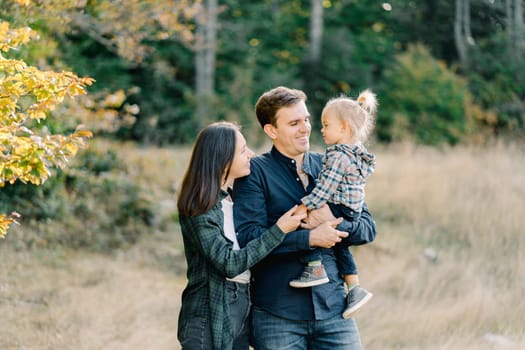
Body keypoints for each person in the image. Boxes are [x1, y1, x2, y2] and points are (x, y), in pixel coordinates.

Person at [232, 87, 377, 349]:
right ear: (271, 130)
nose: (305, 128)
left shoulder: (332, 162)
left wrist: (332, 224)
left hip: (335, 310)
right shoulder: (254, 173)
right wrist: (310, 238)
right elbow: (249, 240)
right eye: (294, 123)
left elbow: (367, 228)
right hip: (278, 314)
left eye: (307, 120)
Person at [177, 121, 306, 350]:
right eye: (243, 149)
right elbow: (228, 263)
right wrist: (279, 230)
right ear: (223, 158)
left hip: (242, 304)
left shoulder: (232, 200)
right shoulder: (199, 206)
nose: (251, 154)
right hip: (210, 310)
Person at [289, 89, 378, 320]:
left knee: (306, 223)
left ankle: (315, 266)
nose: (321, 129)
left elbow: (324, 190)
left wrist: (304, 206)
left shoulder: (338, 156)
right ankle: (354, 287)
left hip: (338, 207)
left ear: (344, 128)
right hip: (351, 210)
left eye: (326, 125)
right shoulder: (357, 153)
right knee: (339, 245)